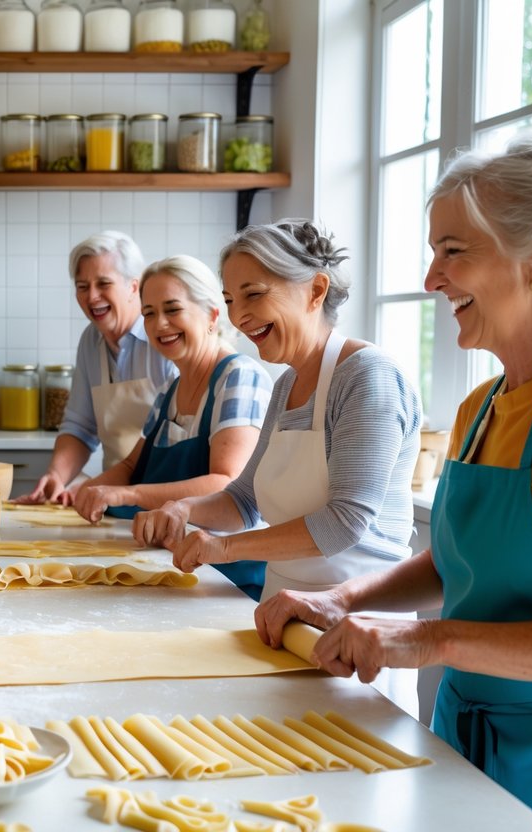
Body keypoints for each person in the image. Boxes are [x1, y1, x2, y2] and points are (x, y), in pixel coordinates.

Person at [255, 131, 532, 822]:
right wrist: (340, 599)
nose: (429, 280)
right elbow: (458, 563)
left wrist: (426, 640)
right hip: (462, 740)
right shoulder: (479, 409)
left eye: (452, 251)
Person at [136, 220, 422, 713]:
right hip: (279, 620)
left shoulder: (369, 376)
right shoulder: (287, 384)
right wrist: (185, 509)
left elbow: (346, 522)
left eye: (253, 294)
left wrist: (223, 548)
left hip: (355, 626)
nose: (239, 315)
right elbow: (245, 500)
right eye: (229, 300)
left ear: (315, 290)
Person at [71, 255, 271, 596]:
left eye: (172, 310)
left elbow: (226, 482)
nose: (159, 324)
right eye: (149, 313)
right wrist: (85, 493)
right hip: (174, 562)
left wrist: (128, 494)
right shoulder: (172, 388)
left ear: (211, 314)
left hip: (227, 576)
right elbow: (133, 465)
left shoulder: (239, 377)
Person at [15, 231, 177, 505]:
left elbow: (179, 433)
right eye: (82, 286)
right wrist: (57, 475)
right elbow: (80, 426)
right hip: (114, 500)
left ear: (133, 287)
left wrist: (95, 487)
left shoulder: (165, 338)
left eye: (104, 283)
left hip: (170, 497)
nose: (92, 297)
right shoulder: (90, 341)